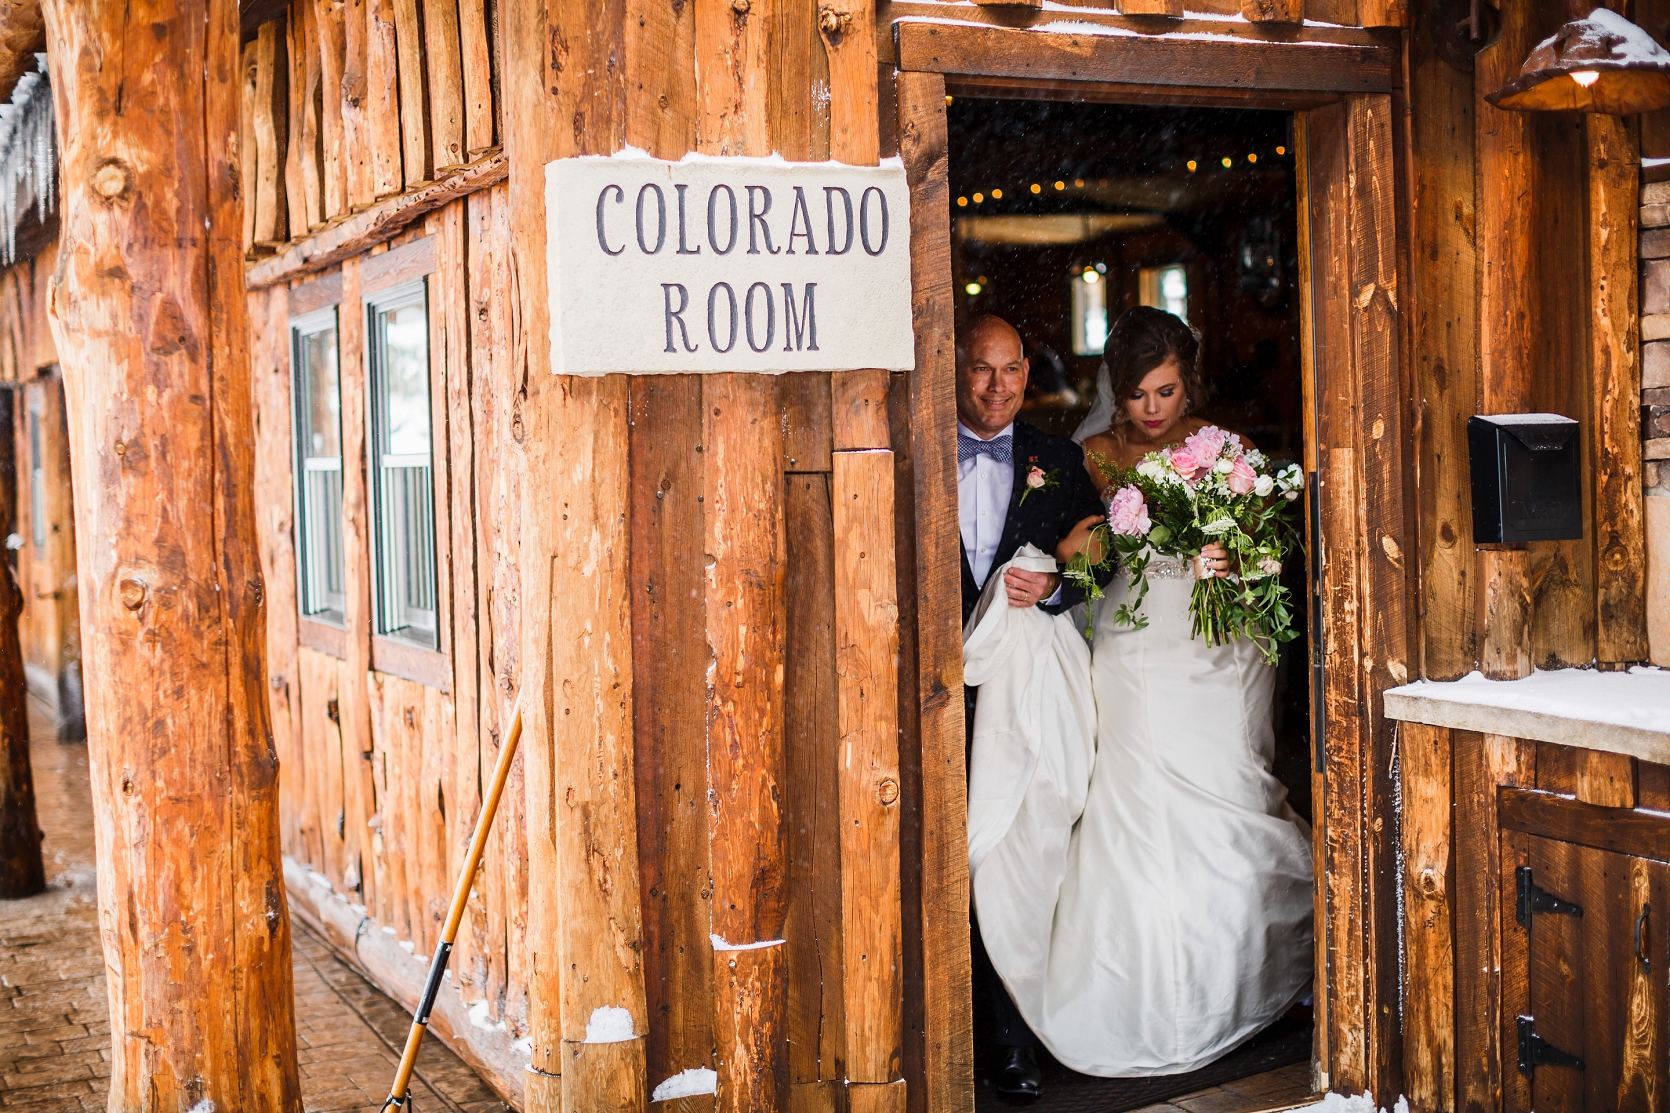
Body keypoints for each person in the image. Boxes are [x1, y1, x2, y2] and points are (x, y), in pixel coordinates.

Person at [975, 305, 1314, 1077]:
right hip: (1132, 650)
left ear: (1187, 381)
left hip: (1216, 656)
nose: (1152, 410)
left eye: (1165, 391)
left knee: (1229, 802)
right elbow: (1092, 559)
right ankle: (1148, 994)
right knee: (1135, 816)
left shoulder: (1228, 451)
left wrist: (1239, 561)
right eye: (1137, 395)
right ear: (1116, 391)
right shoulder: (1089, 456)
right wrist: (1056, 576)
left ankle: (1239, 979)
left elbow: (1269, 558)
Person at [955, 313, 1105, 1101]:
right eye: (982, 369)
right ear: (954, 366)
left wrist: (1055, 587)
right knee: (950, 857)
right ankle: (950, 1027)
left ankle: (1012, 1035)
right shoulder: (917, 445)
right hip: (940, 692)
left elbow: (1105, 561)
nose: (999, 386)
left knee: (1016, 853)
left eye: (1011, 369)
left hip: (1026, 694)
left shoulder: (1059, 458)